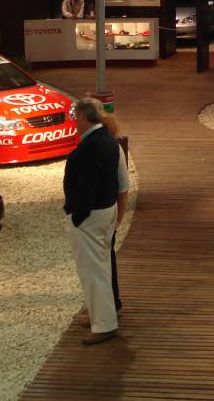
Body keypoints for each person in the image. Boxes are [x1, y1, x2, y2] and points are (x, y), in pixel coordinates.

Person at [63, 98, 128, 345]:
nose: (74, 122)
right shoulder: (110, 142)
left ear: (82, 117)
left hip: (90, 217)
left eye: (75, 117)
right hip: (106, 211)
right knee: (101, 267)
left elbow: (85, 188)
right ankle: (102, 315)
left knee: (93, 271)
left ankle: (103, 325)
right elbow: (119, 184)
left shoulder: (88, 149)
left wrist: (76, 216)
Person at [98, 109, 128, 317]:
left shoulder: (112, 150)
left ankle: (108, 308)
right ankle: (109, 306)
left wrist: (118, 220)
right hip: (108, 215)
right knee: (105, 260)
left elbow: (123, 188)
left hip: (104, 215)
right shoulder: (113, 148)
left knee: (104, 262)